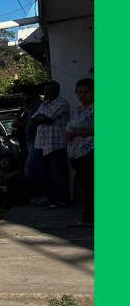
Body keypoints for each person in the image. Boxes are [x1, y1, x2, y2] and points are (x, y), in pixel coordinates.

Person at [32, 81, 71, 207]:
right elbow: (33, 120)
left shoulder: (62, 103)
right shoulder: (44, 104)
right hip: (41, 144)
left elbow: (48, 119)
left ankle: (63, 200)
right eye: (45, 90)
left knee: (58, 174)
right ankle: (51, 199)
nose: (46, 93)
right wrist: (41, 118)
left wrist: (41, 118)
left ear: (57, 91)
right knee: (45, 174)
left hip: (56, 144)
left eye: (49, 90)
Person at [66, 78, 94, 228]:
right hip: (76, 153)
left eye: (86, 92)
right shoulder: (78, 109)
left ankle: (90, 217)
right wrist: (71, 134)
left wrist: (78, 133)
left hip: (91, 150)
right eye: (79, 92)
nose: (82, 95)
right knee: (85, 185)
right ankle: (89, 216)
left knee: (92, 185)